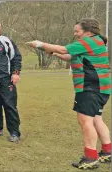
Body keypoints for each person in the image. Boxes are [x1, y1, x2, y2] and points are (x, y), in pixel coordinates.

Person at [26, 18, 110, 170]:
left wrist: (40, 44)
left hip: (89, 88)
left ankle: (90, 158)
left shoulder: (89, 41)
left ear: (88, 32)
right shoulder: (95, 42)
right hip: (100, 88)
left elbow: (64, 49)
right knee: (97, 119)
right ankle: (107, 151)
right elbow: (67, 56)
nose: (75, 33)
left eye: (77, 31)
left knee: (86, 121)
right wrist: (52, 51)